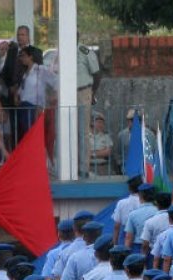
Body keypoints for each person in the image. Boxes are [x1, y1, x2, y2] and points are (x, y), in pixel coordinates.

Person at [15, 47, 57, 142]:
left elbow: (55, 80)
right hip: (23, 105)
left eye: (24, 56)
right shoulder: (25, 73)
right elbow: (23, 89)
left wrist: (53, 96)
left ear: (31, 57)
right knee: (25, 134)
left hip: (33, 106)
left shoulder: (40, 70)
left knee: (32, 133)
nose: (22, 58)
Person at [77, 35, 102, 177]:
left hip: (83, 91)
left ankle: (83, 168)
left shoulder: (84, 51)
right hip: (67, 93)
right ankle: (72, 167)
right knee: (68, 131)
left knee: (83, 132)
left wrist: (92, 93)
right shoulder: (63, 51)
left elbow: (97, 73)